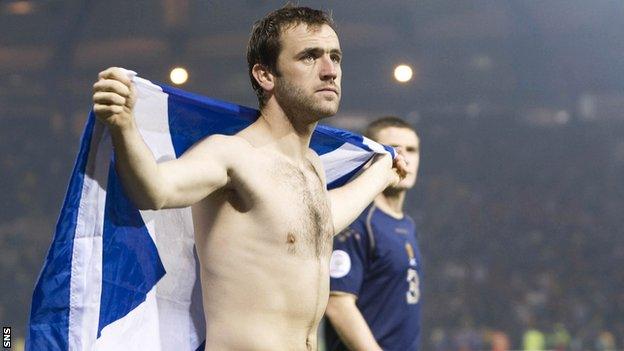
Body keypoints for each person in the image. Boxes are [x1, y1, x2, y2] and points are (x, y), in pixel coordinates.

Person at [91, 6, 406, 351]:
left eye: (335, 57)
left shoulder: (312, 165)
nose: (330, 71)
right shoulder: (232, 154)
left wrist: (382, 172)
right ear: (265, 75)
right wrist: (124, 125)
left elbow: (323, 219)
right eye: (309, 57)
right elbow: (155, 191)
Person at [324, 116, 422, 351]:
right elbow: (337, 303)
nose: (405, 157)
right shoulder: (357, 221)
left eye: (412, 149)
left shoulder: (406, 224)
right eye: (395, 149)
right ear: (372, 157)